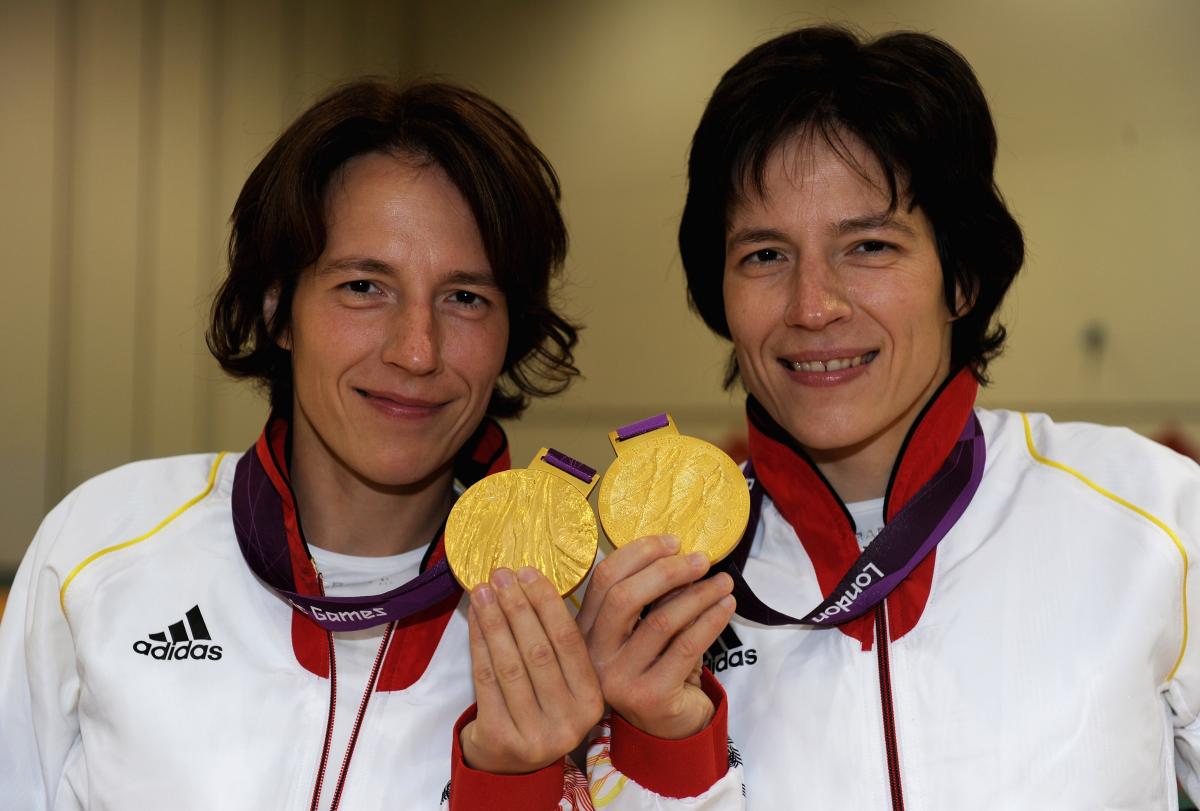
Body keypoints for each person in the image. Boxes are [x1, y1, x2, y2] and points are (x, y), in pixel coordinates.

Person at [0, 78, 734, 810]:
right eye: (363, 286)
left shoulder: (583, 621)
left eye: (466, 297)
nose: (417, 351)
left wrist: (518, 785)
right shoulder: (106, 543)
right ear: (278, 308)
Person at [589, 25, 1200, 808]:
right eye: (764, 255)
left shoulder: (1150, 514)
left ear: (963, 277)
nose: (812, 307)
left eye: (870, 245)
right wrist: (668, 752)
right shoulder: (660, 585)